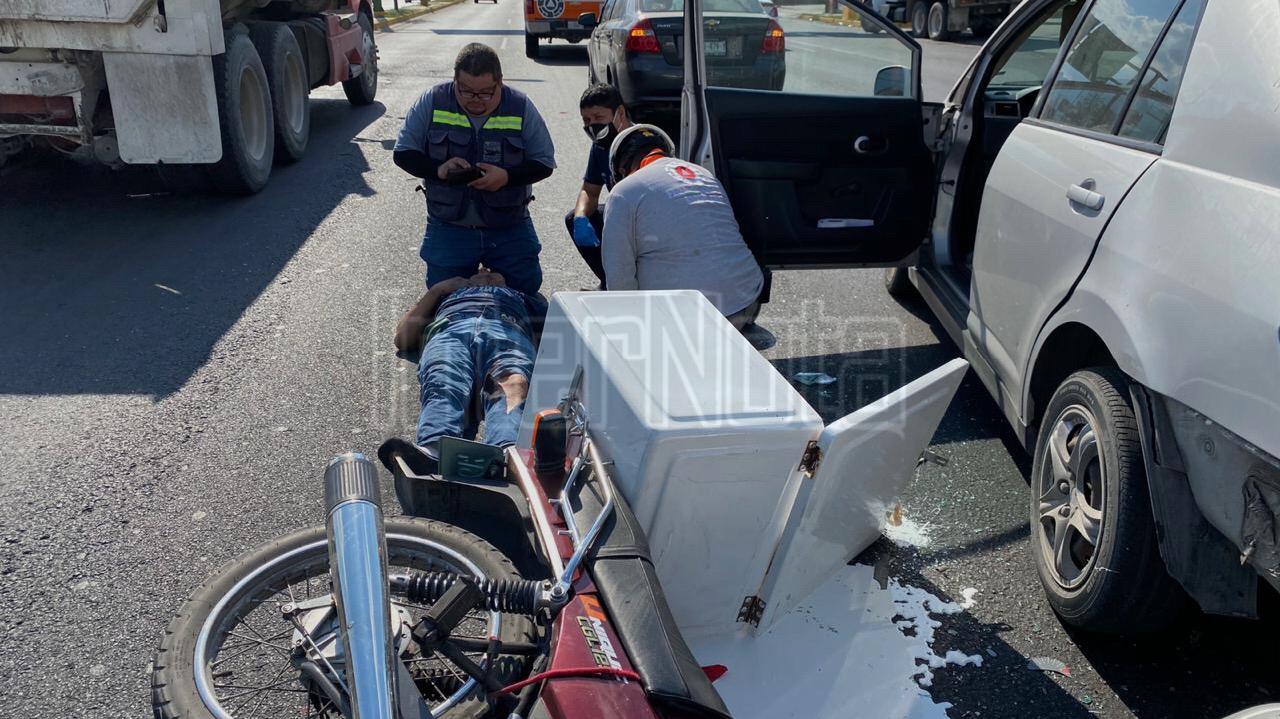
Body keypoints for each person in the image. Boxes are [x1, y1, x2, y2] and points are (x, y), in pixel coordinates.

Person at [393, 43, 556, 296]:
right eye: (466, 91)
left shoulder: (521, 106)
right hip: (449, 226)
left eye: (486, 93)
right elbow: (403, 152)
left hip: (508, 226)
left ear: (500, 82)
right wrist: (439, 170)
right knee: (442, 299)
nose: (475, 100)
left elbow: (544, 162)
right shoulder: (432, 101)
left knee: (525, 293)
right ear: (455, 80)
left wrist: (506, 177)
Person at [602, 124, 765, 329]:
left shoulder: (623, 191)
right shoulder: (703, 174)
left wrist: (631, 326)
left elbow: (619, 276)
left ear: (621, 169)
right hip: (747, 298)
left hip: (686, 318)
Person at [384, 269, 541, 474]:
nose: (485, 271)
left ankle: (507, 455)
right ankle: (434, 450)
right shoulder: (446, 296)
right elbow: (402, 338)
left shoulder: (524, 298)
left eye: (493, 271)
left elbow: (563, 327)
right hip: (450, 330)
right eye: (479, 270)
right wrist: (438, 290)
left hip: (508, 331)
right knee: (445, 380)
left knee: (512, 383)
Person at [564, 83, 633, 286]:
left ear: (620, 113)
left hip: (645, 220)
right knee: (574, 217)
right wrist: (580, 218)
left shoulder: (642, 143)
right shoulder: (601, 147)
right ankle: (609, 282)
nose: (592, 125)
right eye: (587, 120)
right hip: (620, 215)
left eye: (598, 117)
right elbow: (590, 190)